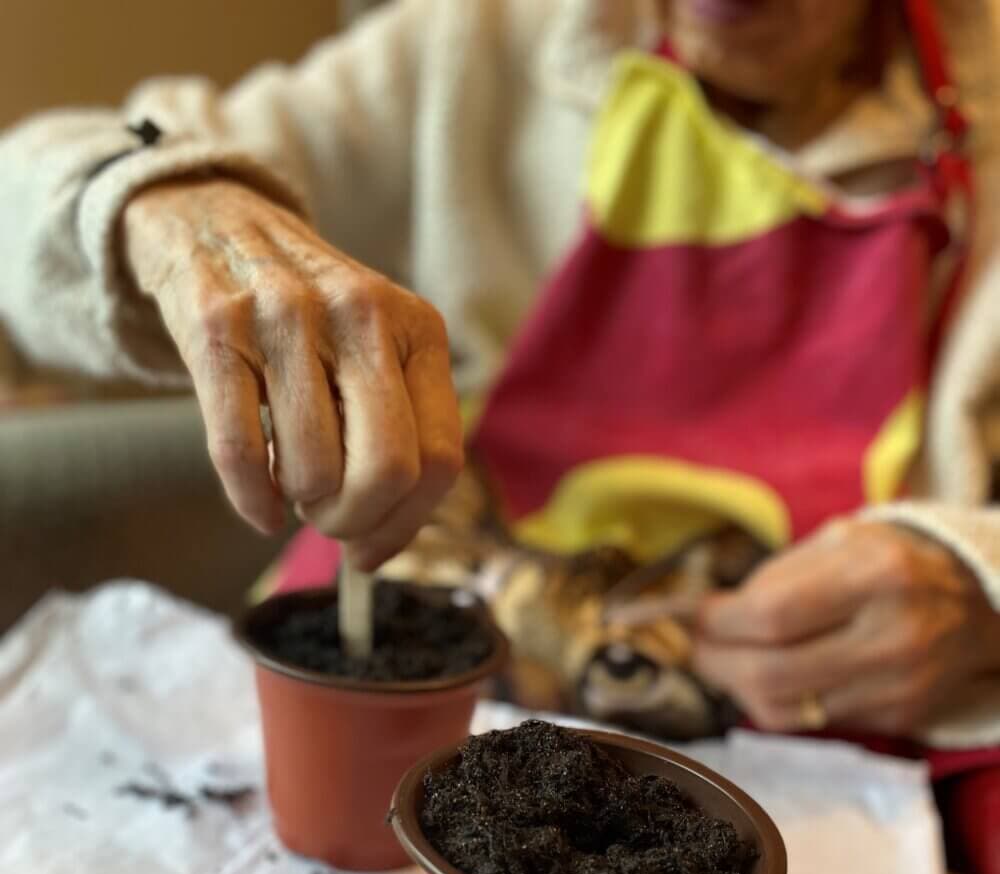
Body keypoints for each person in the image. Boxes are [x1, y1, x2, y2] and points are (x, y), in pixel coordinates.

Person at [0, 6, 997, 764]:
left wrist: (976, 579)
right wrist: (166, 204)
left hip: (806, 749)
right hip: (410, 688)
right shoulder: (479, 42)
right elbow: (29, 188)